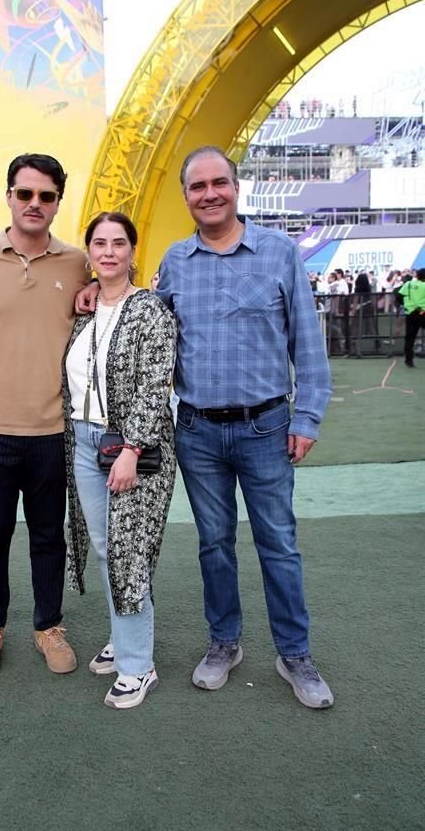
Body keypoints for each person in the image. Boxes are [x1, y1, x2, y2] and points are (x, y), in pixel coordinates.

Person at [156, 145, 334, 710]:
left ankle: (294, 653)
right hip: (197, 432)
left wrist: (306, 416)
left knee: (278, 544)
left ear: (237, 188)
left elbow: (308, 343)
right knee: (214, 544)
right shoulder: (175, 261)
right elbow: (149, 329)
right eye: (196, 187)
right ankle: (224, 642)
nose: (208, 194)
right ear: (186, 196)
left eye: (218, 183)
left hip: (266, 428)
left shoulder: (279, 253)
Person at [0, 153, 89, 679]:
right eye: (25, 193)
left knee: (47, 537)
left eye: (46, 196)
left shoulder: (78, 262)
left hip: (54, 431)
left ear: (58, 201)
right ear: (8, 195)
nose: (35, 204)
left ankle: (48, 626)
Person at [64, 212, 176, 709]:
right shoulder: (85, 311)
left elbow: (157, 384)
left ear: (133, 251)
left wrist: (131, 450)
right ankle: (126, 640)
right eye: (99, 243)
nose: (108, 251)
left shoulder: (150, 309)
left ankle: (138, 665)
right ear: (89, 252)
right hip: (85, 444)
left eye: (118, 243)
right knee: (110, 548)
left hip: (135, 449)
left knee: (129, 551)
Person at [399, 267, 425, 367]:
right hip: (422, 312)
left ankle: (408, 359)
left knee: (410, 337)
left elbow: (399, 296)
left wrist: (407, 305)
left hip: (410, 313)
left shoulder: (408, 284)